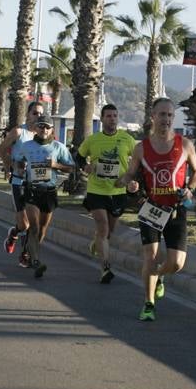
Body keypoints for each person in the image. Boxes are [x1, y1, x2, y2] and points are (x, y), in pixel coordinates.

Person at [122, 97, 196, 321]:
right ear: (153, 117)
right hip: (151, 208)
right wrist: (130, 182)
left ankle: (157, 276)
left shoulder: (185, 145)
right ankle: (148, 304)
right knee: (151, 255)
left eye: (169, 115)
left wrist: (190, 190)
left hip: (176, 209)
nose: (166, 119)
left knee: (176, 263)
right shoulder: (141, 148)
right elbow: (130, 173)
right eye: (162, 114)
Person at [76, 103, 136, 283]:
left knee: (109, 231)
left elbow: (138, 162)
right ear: (102, 119)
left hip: (118, 191)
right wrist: (84, 167)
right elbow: (78, 157)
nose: (112, 119)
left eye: (115, 116)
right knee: (102, 226)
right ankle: (105, 268)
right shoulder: (93, 140)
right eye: (108, 116)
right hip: (96, 190)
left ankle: (97, 243)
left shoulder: (127, 139)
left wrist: (131, 180)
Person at [10, 117, 74, 279]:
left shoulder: (59, 148)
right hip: (32, 190)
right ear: (36, 129)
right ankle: (36, 261)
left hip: (49, 192)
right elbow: (17, 161)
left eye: (47, 127)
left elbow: (71, 168)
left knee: (42, 229)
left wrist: (56, 166)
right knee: (34, 226)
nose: (44, 130)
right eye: (41, 127)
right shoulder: (26, 146)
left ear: (52, 130)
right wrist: (20, 168)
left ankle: (28, 251)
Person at [0, 101, 46, 267]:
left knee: (34, 223)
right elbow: (1, 149)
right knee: (23, 224)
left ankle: (25, 255)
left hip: (35, 184)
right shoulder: (19, 132)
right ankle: (13, 233)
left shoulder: (44, 135)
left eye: (40, 114)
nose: (38, 117)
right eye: (34, 113)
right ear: (27, 114)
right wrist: (9, 166)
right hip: (18, 183)